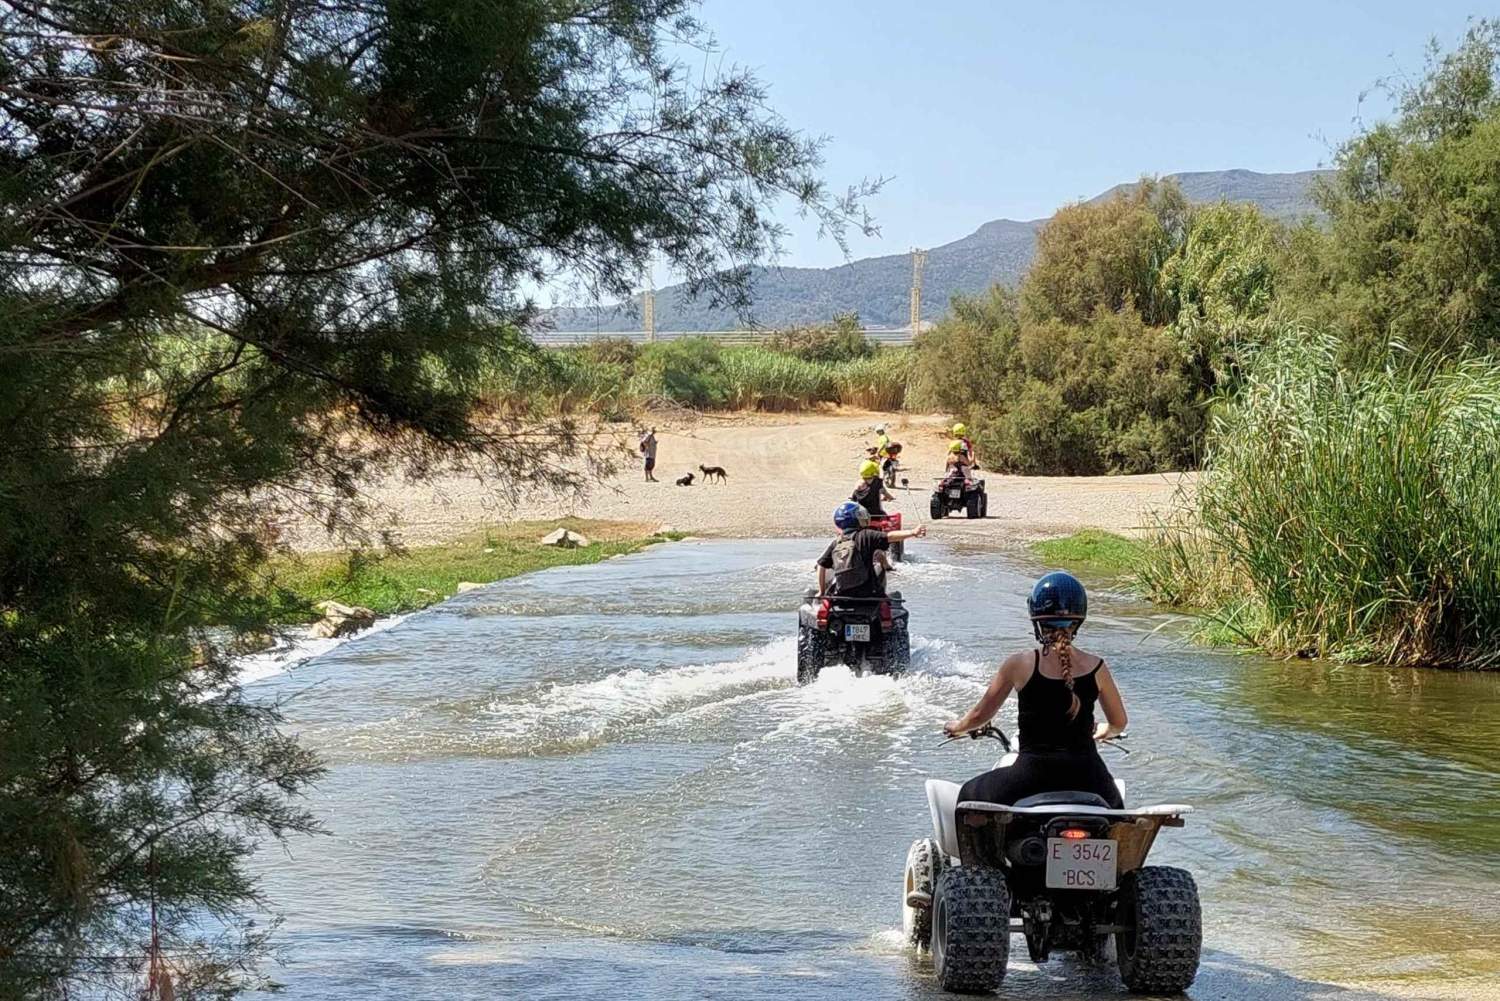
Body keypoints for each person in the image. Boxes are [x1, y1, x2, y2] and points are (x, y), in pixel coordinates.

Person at [943, 571, 1128, 808]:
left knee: (966, 796)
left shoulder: (1018, 665)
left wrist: (958, 727)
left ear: (1037, 622)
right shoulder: (1097, 667)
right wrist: (1103, 731)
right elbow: (1119, 723)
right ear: (1078, 621)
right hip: (1090, 778)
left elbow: (980, 715)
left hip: (1031, 777)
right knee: (1117, 814)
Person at [816, 502, 926, 597]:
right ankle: (881, 596)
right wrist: (913, 532)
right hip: (868, 593)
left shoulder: (836, 542)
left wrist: (821, 591)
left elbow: (821, 564)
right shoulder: (866, 535)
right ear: (855, 519)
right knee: (879, 568)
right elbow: (890, 536)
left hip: (842, 593)